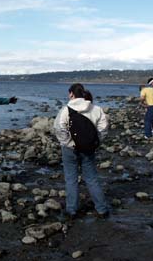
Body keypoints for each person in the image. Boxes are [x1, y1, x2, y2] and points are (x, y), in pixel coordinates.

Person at [54, 83, 108, 218]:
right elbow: (103, 129)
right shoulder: (96, 109)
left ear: (71, 93)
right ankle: (102, 209)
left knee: (71, 179)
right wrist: (95, 142)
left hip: (69, 150)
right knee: (92, 179)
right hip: (89, 149)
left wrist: (69, 143)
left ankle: (72, 210)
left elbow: (59, 128)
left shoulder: (66, 110)